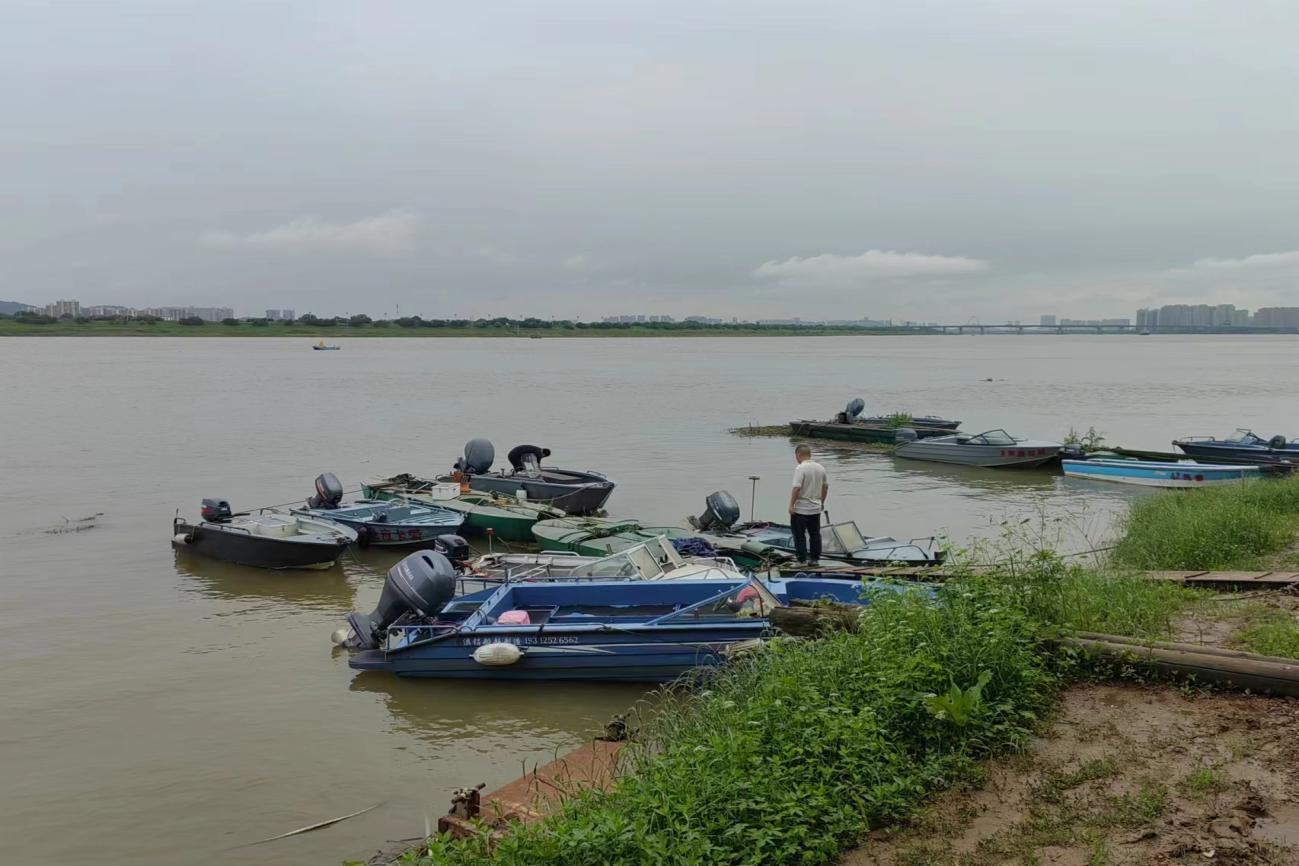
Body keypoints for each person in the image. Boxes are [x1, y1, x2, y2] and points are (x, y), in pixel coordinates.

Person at [788, 444, 828, 564]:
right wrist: (822, 502)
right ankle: (815, 559)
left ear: (798, 455)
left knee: (799, 536)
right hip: (815, 508)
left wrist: (791, 505)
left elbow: (796, 488)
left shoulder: (800, 468)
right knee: (815, 534)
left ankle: (802, 559)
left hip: (801, 509)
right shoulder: (820, 468)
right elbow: (825, 487)